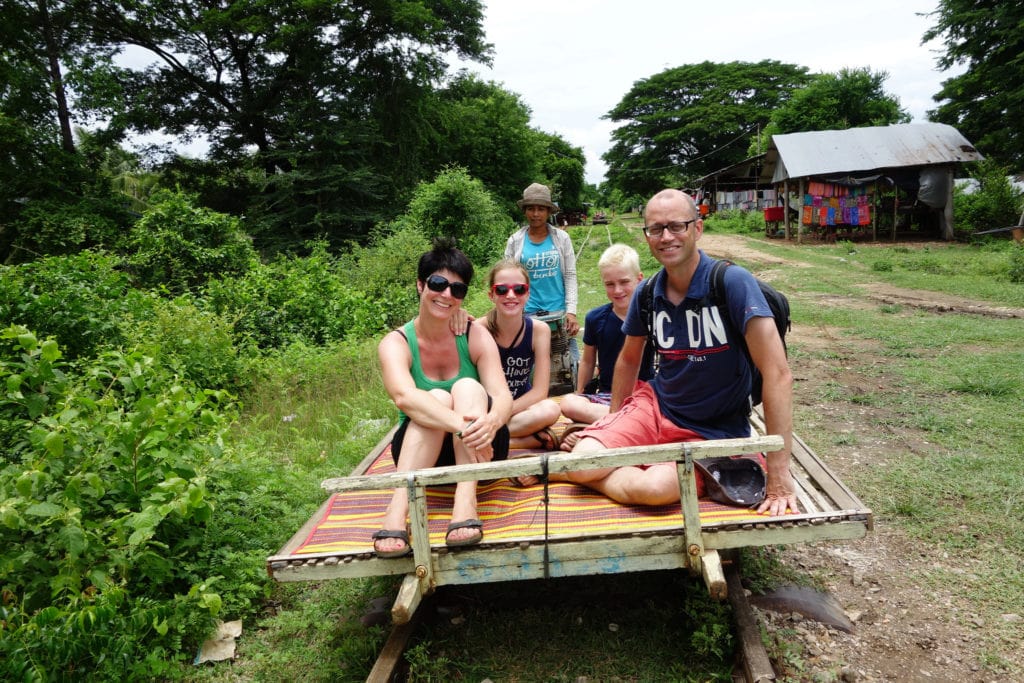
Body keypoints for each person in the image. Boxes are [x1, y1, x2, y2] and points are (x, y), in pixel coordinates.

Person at [532, 189, 799, 517]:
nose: (666, 236)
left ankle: (574, 471)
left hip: (713, 429)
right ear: (646, 236)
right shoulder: (648, 293)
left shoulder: (731, 283)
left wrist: (779, 475)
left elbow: (777, 373)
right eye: (656, 229)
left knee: (653, 489)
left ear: (697, 229)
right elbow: (629, 359)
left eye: (677, 226)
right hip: (656, 408)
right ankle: (586, 467)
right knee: (584, 462)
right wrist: (615, 421)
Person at [374, 239, 513, 557]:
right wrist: (460, 426)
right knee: (434, 396)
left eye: (458, 289)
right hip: (423, 454)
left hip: (482, 447)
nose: (447, 295)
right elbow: (403, 396)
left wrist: (490, 422)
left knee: (466, 387)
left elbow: (501, 395)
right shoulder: (396, 343)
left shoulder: (475, 335)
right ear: (421, 285)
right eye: (438, 284)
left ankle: (466, 501)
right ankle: (399, 510)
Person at [559, 244, 655, 449]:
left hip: (643, 395)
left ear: (639, 279)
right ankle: (622, 423)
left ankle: (596, 428)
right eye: (610, 284)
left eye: (624, 282)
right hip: (606, 396)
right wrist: (580, 392)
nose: (617, 290)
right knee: (568, 403)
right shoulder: (596, 318)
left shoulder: (652, 316)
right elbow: (587, 360)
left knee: (659, 408)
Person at [475, 260, 562, 450]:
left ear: (528, 294)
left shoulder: (539, 331)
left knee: (551, 409)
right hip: (486, 409)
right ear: (491, 295)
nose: (511, 295)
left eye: (519, 289)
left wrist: (501, 414)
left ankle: (496, 439)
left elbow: (540, 391)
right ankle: (524, 440)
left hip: (519, 409)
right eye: (502, 290)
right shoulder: (477, 329)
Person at [504, 183, 580, 387]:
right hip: (527, 314)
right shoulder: (515, 241)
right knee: (530, 370)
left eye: (541, 209)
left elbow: (570, 275)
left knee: (567, 369)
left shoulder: (561, 238)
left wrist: (571, 311)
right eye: (531, 208)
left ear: (548, 211)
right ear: (525, 211)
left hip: (558, 313)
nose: (535, 214)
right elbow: (507, 279)